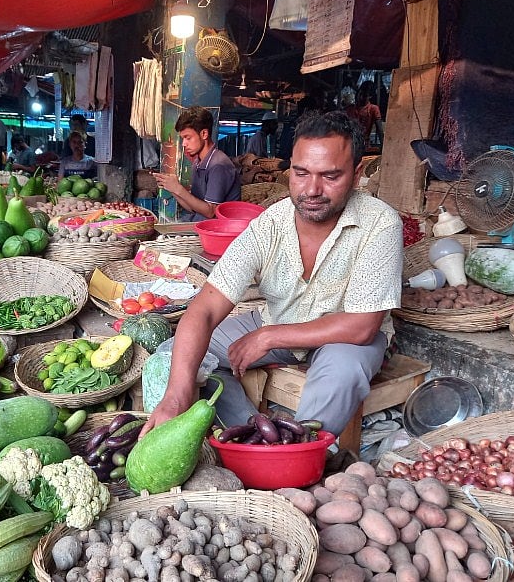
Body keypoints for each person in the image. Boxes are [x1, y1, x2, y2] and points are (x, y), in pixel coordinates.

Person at [141, 111, 404, 439]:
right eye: (301, 173)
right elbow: (206, 308)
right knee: (176, 355)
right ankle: (256, 436)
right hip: (276, 318)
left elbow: (362, 326)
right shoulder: (269, 224)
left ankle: (296, 452)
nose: (312, 189)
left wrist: (268, 337)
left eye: (331, 176)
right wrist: (176, 397)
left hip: (342, 338)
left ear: (357, 173)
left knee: (345, 371)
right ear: (290, 167)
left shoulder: (380, 224)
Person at [153, 106, 241, 222]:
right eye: (183, 138)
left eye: (188, 138)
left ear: (204, 134)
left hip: (217, 230)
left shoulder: (218, 165)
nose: (184, 144)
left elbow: (210, 212)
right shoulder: (197, 163)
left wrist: (179, 189)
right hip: (198, 223)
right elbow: (194, 208)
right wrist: (171, 188)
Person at [345, 80, 384, 150]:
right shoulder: (349, 109)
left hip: (364, 146)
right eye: (360, 94)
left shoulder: (373, 109)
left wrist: (383, 145)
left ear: (370, 96)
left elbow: (380, 130)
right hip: (349, 145)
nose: (360, 97)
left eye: (364, 95)